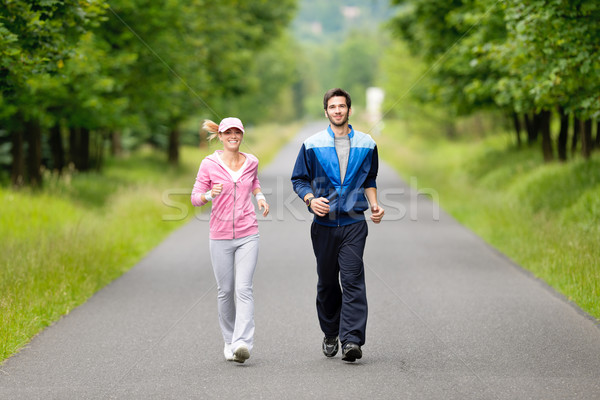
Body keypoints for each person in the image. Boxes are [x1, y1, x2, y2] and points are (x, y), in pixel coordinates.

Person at [291, 88, 384, 362]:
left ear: (349, 110)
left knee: (353, 280)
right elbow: (298, 179)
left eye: (342, 106)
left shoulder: (367, 144)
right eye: (333, 107)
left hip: (355, 223)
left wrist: (375, 205)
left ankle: (352, 340)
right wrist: (310, 199)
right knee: (328, 283)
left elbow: (370, 179)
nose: (338, 111)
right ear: (326, 112)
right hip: (325, 225)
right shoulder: (311, 144)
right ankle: (331, 331)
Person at [191, 117, 269, 363]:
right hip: (220, 235)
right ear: (221, 136)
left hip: (248, 232)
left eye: (237, 132)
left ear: (242, 135)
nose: (233, 136)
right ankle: (229, 341)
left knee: (244, 289)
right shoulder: (209, 164)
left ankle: (242, 343)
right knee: (225, 291)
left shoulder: (251, 161)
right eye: (228, 133)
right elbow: (194, 198)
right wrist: (207, 194)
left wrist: (260, 197)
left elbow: (254, 183)